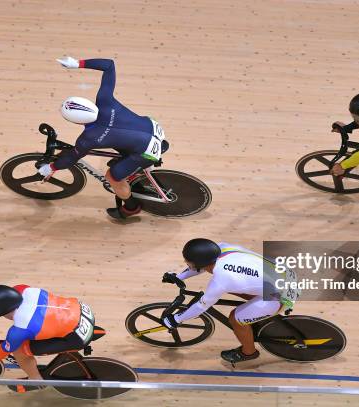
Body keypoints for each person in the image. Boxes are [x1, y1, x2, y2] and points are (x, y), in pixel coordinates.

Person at [38, 56, 167, 219]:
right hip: (153, 127)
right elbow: (109, 65)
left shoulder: (89, 138)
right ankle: (129, 162)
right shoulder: (105, 100)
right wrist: (78, 64)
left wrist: (51, 168)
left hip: (146, 151)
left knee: (111, 176)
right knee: (119, 135)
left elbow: (71, 158)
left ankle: (132, 207)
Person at [161, 239, 298, 364]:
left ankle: (249, 352)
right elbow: (199, 266)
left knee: (235, 319)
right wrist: (179, 277)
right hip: (285, 274)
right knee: (235, 287)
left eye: (189, 262)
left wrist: (177, 319)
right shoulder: (221, 247)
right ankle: (256, 313)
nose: (187, 264)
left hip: (280, 295)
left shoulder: (222, 280)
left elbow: (201, 306)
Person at [0, 284, 98, 393]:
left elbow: (0, 353)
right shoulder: (22, 289)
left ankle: (36, 380)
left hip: (76, 336)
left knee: (19, 351)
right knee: (28, 336)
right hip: (81, 310)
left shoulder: (20, 329)